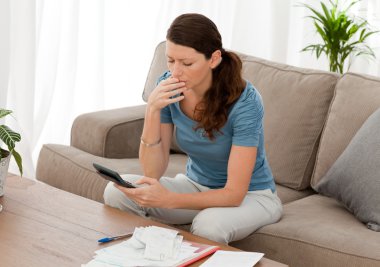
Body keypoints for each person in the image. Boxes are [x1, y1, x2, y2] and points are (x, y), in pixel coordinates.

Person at [104, 13, 282, 244]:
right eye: (170, 60)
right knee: (117, 190)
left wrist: (167, 200)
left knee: (209, 224)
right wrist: (152, 111)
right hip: (196, 185)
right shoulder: (168, 87)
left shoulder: (246, 102)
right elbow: (152, 173)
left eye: (187, 63)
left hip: (252, 197)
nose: (175, 72)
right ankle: (146, 255)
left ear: (214, 59)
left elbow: (234, 194)